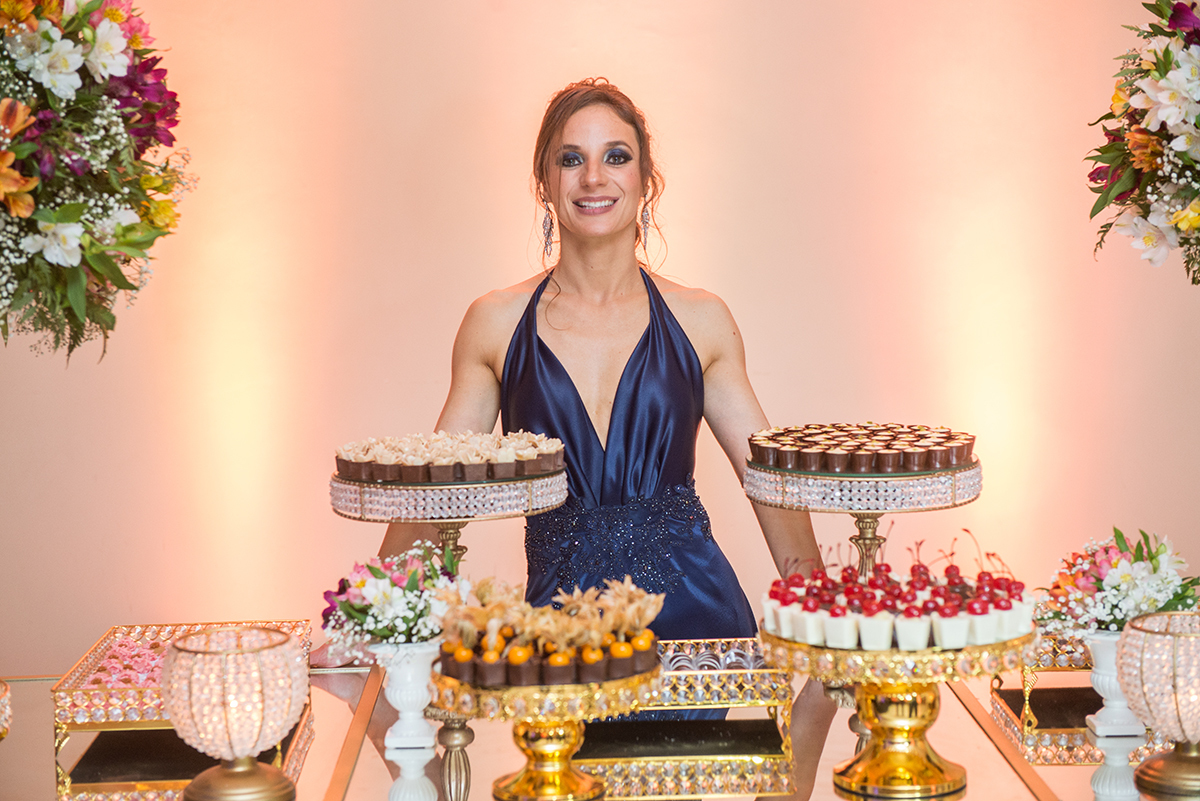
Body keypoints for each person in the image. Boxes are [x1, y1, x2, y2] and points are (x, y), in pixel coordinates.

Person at [379, 77, 820, 640]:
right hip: (555, 642)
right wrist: (368, 621)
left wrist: (826, 615)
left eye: (616, 156)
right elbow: (437, 494)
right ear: (544, 181)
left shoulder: (700, 318)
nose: (593, 178)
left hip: (697, 634)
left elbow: (770, 481)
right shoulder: (495, 323)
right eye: (571, 159)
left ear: (646, 180)